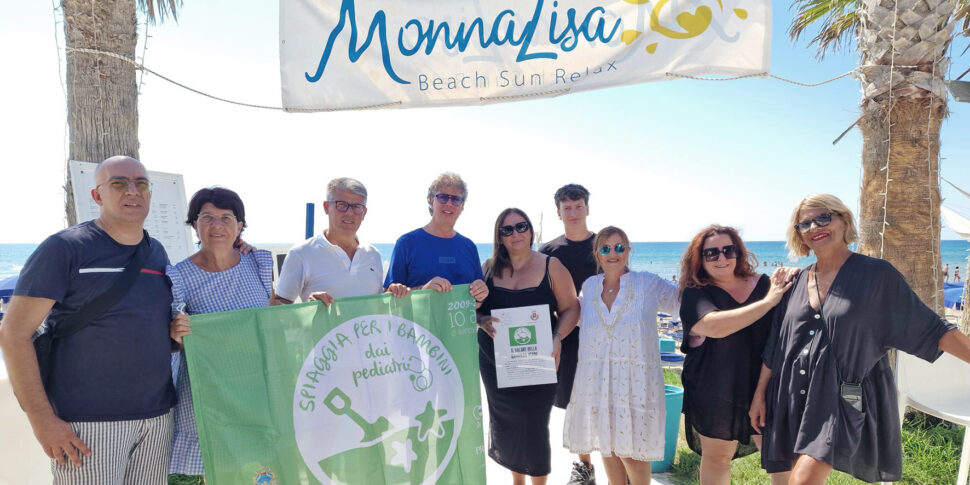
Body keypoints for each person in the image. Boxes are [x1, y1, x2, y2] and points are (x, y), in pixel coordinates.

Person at [750, 193, 970, 485]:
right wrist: (759, 395)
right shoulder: (796, 282)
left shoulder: (877, 276)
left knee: (801, 480)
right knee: (788, 477)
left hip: (841, 397)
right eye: (804, 224)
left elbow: (932, 329)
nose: (815, 227)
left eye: (823, 217)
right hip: (790, 393)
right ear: (799, 235)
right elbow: (776, 346)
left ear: (844, 221)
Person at [0, 156, 176, 484]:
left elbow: (150, 324)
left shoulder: (156, 253)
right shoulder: (65, 249)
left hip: (156, 419)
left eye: (141, 184)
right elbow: (13, 333)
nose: (132, 191)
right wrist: (42, 420)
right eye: (118, 183)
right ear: (97, 196)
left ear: (150, 194)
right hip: (85, 425)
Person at [164, 187, 273, 477]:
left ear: (240, 226)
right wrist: (178, 334)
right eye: (207, 217)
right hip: (206, 397)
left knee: (257, 474)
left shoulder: (258, 263)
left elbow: (274, 320)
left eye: (226, 217)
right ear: (194, 225)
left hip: (254, 393)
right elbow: (175, 340)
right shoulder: (178, 276)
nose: (216, 225)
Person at [677, 225, 795, 485]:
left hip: (765, 384)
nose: (721, 258)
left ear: (738, 252)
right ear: (699, 258)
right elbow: (716, 326)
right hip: (715, 389)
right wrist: (767, 303)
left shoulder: (766, 285)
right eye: (711, 253)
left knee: (780, 458)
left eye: (728, 250)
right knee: (717, 458)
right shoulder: (695, 293)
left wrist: (793, 276)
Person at [563, 226, 679, 485]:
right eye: (605, 248)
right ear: (597, 254)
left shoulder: (648, 283)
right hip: (601, 383)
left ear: (628, 250)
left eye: (619, 247)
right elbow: (574, 316)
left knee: (634, 455)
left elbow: (683, 301)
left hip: (638, 385)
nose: (612, 253)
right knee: (609, 447)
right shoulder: (590, 287)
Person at [477, 208, 580, 485]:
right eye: (507, 229)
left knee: (534, 427)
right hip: (495, 363)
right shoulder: (487, 268)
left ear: (531, 230)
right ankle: (517, 482)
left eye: (521, 226)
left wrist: (558, 337)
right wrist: (481, 320)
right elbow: (472, 310)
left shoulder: (551, 266)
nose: (515, 234)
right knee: (506, 425)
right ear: (499, 236)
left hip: (539, 361)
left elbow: (572, 309)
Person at [538, 183, 597, 485]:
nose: (573, 212)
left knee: (608, 402)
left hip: (604, 339)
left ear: (588, 207)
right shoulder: (548, 252)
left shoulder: (606, 245)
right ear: (558, 212)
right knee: (576, 406)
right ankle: (585, 467)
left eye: (578, 205)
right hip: (567, 338)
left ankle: (620, 465)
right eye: (567, 207)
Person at [272, 177, 408, 305]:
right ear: (326, 207)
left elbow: (376, 305)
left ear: (364, 213)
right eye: (341, 205)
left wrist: (390, 293)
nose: (349, 212)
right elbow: (279, 308)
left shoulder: (373, 254)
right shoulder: (300, 253)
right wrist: (308, 306)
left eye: (356, 206)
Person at [384, 172, 488, 303]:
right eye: (443, 197)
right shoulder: (406, 243)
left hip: (461, 323)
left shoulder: (469, 246)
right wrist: (423, 290)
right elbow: (388, 299)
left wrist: (481, 294)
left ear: (462, 205)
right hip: (418, 324)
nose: (449, 204)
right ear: (432, 200)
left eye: (455, 199)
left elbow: (476, 304)